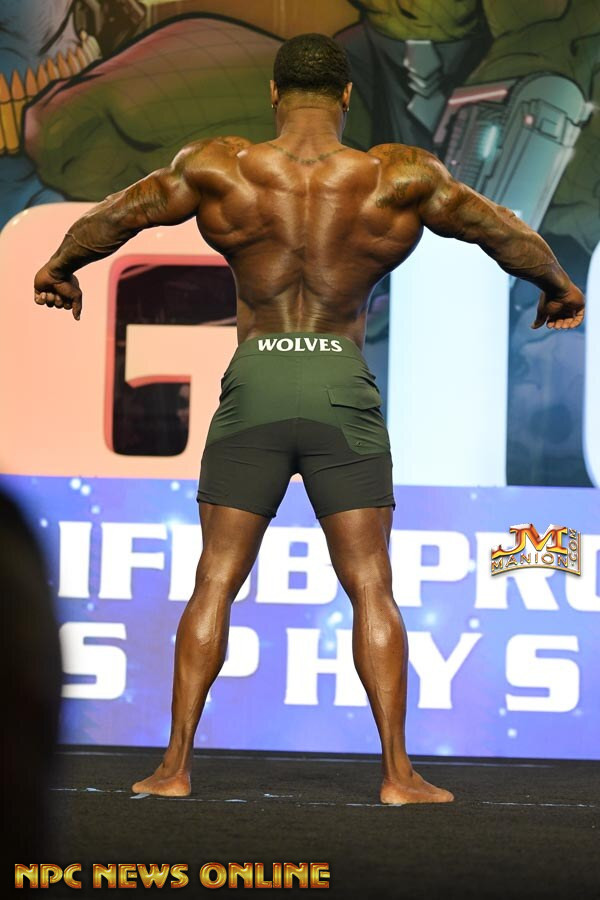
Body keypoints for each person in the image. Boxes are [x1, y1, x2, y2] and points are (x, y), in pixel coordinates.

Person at [33, 33, 584, 805]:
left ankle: (174, 768)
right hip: (337, 381)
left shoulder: (221, 166)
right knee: (371, 585)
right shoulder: (396, 175)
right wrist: (559, 284)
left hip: (257, 381)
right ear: (348, 96)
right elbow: (497, 228)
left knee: (215, 579)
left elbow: (123, 213)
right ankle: (398, 775)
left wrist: (61, 265)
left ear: (273, 92)